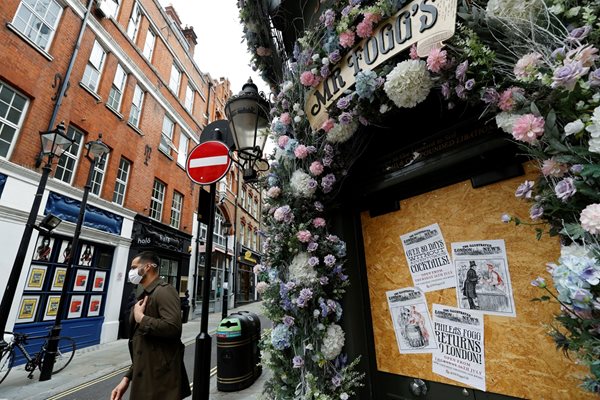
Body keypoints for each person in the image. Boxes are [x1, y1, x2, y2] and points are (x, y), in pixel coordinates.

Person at [111, 251, 191, 400]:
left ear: (147, 267)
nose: (131, 272)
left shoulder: (165, 291)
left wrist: (141, 318)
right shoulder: (145, 294)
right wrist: (127, 378)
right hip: (147, 379)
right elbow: (144, 345)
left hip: (161, 385)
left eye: (134, 267)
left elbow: (173, 328)